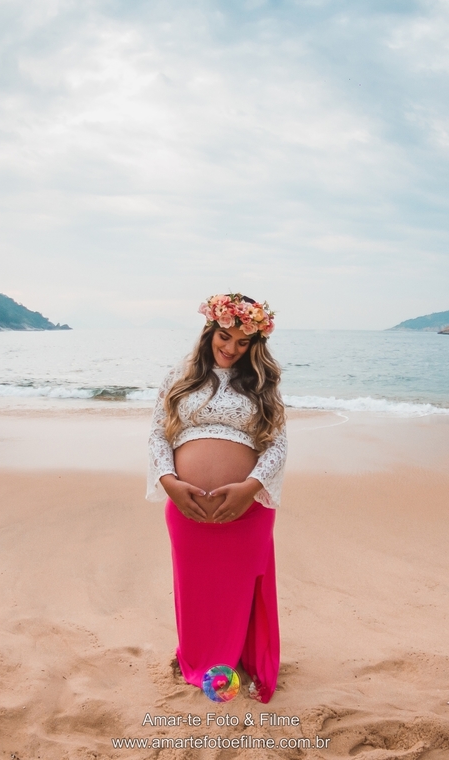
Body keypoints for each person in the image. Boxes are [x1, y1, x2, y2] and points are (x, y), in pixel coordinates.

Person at [147, 293, 287, 703]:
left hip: (247, 509)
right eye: (224, 337)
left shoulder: (262, 382)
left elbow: (277, 445)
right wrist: (169, 481)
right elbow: (157, 433)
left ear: (255, 344)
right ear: (210, 330)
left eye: (243, 343)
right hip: (186, 506)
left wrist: (250, 487)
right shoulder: (179, 375)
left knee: (238, 587)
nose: (231, 348)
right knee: (195, 590)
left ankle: (235, 660)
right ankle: (200, 662)